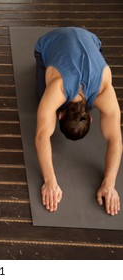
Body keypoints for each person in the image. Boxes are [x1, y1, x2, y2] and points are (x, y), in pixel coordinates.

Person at [34, 27, 121, 215]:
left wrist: (110, 183)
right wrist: (50, 181)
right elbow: (41, 136)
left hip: (90, 37)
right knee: (40, 98)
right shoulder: (58, 89)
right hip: (49, 42)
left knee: (45, 104)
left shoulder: (104, 89)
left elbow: (116, 140)